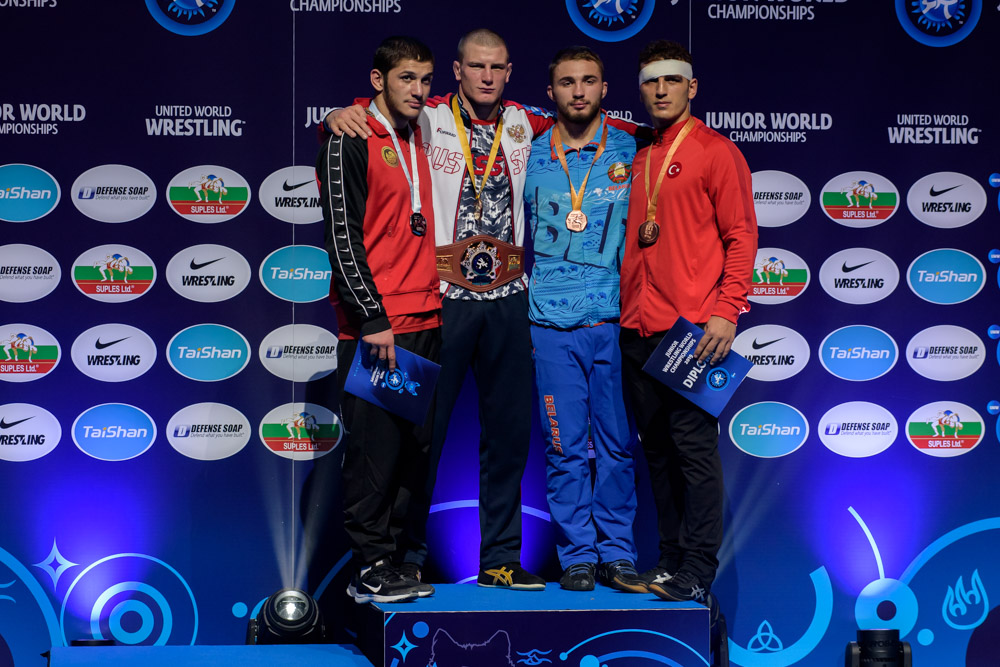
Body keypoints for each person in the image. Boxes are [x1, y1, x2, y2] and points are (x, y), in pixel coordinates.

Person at [326, 29, 555, 590]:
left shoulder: (527, 123)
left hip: (507, 297)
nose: (487, 76)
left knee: (508, 436)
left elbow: (591, 122)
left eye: (497, 67)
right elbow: (371, 111)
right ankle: (407, 556)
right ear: (457, 71)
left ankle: (500, 558)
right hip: (442, 300)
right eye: (476, 66)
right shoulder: (426, 116)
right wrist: (337, 115)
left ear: (510, 72)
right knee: (418, 440)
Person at [619, 40, 757, 604]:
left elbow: (742, 236)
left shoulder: (716, 152)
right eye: (651, 81)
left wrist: (726, 311)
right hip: (635, 326)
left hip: (692, 330)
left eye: (672, 80)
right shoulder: (634, 151)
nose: (661, 90)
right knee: (655, 450)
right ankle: (670, 558)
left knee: (693, 451)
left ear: (691, 86)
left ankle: (698, 567)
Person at [317, 35, 441, 604]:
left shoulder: (422, 132)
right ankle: (367, 565)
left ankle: (391, 560)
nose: (418, 90)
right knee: (374, 452)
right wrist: (371, 317)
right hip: (380, 325)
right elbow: (342, 237)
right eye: (406, 78)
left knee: (412, 453)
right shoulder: (349, 138)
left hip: (426, 317)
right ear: (378, 80)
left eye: (425, 79)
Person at [523, 46, 645, 593]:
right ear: (550, 92)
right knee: (564, 447)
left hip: (614, 323)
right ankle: (577, 555)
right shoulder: (526, 152)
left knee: (616, 446)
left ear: (604, 88)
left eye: (589, 81)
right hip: (549, 326)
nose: (578, 91)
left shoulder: (632, 147)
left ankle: (617, 554)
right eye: (567, 82)